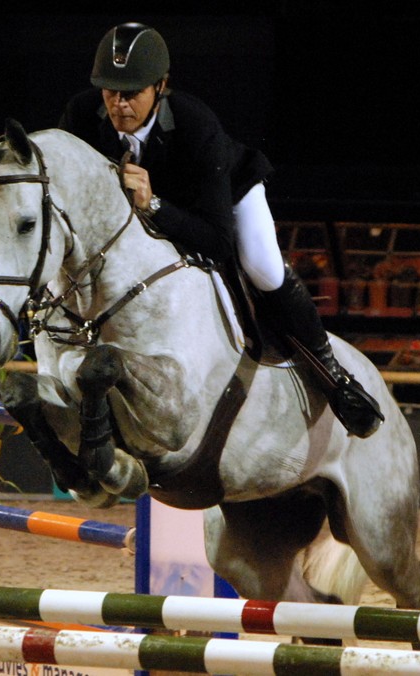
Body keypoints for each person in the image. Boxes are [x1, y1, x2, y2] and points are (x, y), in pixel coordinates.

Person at [59, 22, 383, 437]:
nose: (119, 104)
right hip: (147, 215)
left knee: (263, 268)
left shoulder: (196, 124)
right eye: (110, 91)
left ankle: (335, 378)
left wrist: (153, 204)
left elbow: (216, 242)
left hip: (225, 200)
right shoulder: (82, 115)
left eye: (132, 93)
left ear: (160, 86)